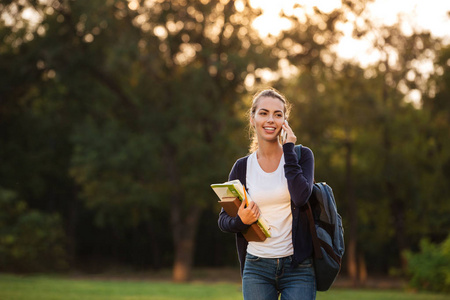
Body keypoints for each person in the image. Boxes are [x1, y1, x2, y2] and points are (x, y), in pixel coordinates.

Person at [218, 88, 316, 300]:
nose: (270, 119)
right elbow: (223, 220)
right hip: (256, 267)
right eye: (263, 113)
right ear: (252, 119)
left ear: (285, 122)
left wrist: (289, 149)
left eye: (278, 114)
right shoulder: (242, 167)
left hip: (298, 266)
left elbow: (300, 197)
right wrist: (240, 220)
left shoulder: (302, 156)